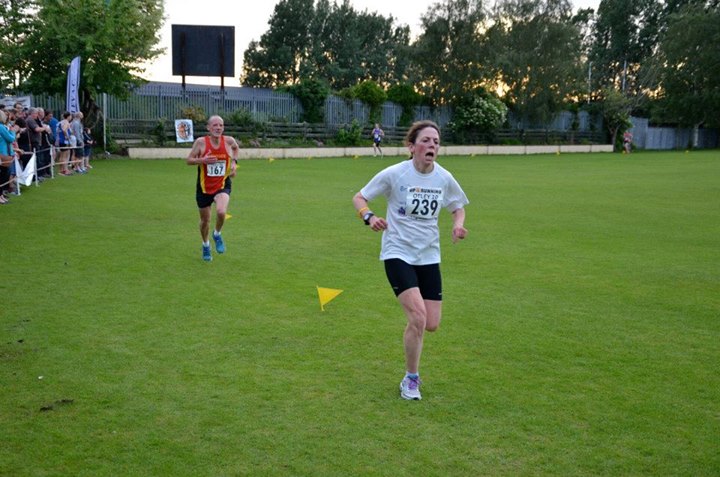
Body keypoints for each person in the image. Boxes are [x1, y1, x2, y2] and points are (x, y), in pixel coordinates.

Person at [352, 120, 469, 401]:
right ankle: (411, 379)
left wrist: (458, 225)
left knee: (431, 323)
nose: (432, 146)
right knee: (418, 317)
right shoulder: (395, 174)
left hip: (428, 255)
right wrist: (369, 217)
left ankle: (413, 342)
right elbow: (359, 197)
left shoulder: (443, 177)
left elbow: (457, 206)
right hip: (397, 252)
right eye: (426, 140)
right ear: (412, 146)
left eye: (436, 142)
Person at [186, 115, 239, 261]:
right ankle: (206, 245)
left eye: (221, 125)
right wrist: (202, 160)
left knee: (221, 212)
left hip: (222, 184)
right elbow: (189, 160)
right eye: (215, 125)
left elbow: (236, 149)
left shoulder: (229, 141)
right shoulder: (201, 142)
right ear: (208, 128)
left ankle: (217, 234)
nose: (218, 128)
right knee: (205, 221)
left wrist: (234, 163)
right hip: (204, 188)